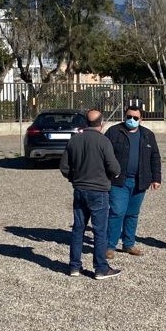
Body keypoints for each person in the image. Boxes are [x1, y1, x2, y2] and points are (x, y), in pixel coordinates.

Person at [59, 109, 122, 279]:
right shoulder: (104, 141)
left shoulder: (74, 140)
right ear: (102, 123)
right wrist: (110, 176)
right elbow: (114, 168)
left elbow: (64, 167)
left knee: (78, 229)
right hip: (99, 191)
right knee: (100, 231)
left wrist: (74, 178)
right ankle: (101, 268)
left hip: (79, 190)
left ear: (85, 123)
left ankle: (74, 266)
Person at [104, 105, 162, 258]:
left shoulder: (148, 135)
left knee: (132, 214)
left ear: (141, 119)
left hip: (140, 181)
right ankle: (109, 246)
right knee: (117, 212)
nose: (131, 120)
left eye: (135, 118)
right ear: (125, 116)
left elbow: (155, 157)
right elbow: (104, 154)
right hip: (118, 181)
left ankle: (128, 244)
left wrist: (156, 178)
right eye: (129, 116)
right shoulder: (114, 132)